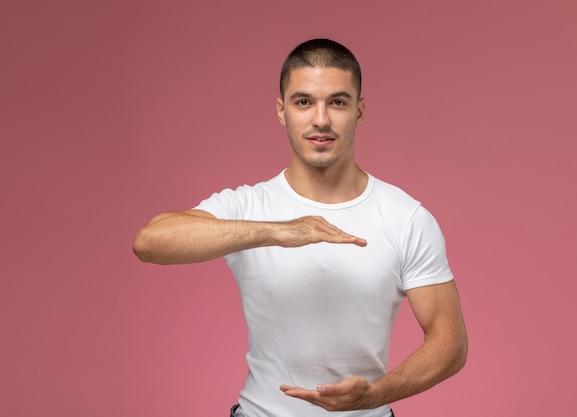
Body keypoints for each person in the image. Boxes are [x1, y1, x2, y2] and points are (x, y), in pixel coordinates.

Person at [133, 38, 468, 417]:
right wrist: (276, 230)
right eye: (304, 102)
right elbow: (150, 241)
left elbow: (451, 343)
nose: (321, 119)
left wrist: (374, 394)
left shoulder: (405, 217)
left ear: (359, 111)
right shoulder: (249, 205)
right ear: (282, 110)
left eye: (337, 102)